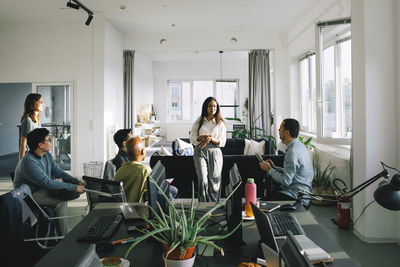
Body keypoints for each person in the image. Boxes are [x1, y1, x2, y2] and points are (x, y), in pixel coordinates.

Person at [14, 128, 84, 235]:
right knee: (60, 201)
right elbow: (48, 183)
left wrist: (75, 181)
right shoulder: (29, 163)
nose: (51, 142)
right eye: (48, 140)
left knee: (61, 189)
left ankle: (59, 232)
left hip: (40, 188)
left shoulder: (46, 155)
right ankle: (63, 236)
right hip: (28, 195)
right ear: (40, 145)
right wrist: (75, 187)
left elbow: (58, 172)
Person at [259, 118, 313, 207]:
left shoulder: (292, 152)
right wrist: (274, 168)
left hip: (296, 197)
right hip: (304, 194)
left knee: (260, 204)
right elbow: (293, 173)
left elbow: (286, 181)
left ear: (287, 133)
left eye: (281, 129)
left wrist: (269, 169)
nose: (279, 130)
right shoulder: (300, 146)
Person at [115, 137, 178, 202]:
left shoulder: (120, 170)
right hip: (139, 205)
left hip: (125, 204)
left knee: (173, 190)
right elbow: (153, 191)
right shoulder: (144, 169)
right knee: (169, 193)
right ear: (142, 151)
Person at [189, 97, 226, 202]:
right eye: (210, 106)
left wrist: (212, 139)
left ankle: (213, 206)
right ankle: (203, 206)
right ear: (206, 107)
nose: (212, 108)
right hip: (200, 151)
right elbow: (192, 138)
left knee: (214, 180)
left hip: (215, 152)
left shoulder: (220, 123)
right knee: (202, 179)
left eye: (214, 106)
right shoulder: (199, 121)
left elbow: (223, 141)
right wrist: (200, 138)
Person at [19, 93, 44, 160]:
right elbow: (23, 143)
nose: (43, 104)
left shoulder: (37, 121)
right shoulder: (27, 120)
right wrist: (21, 163)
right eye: (40, 102)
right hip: (30, 156)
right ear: (33, 103)